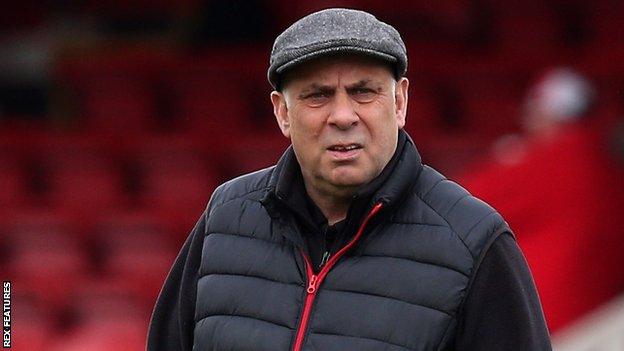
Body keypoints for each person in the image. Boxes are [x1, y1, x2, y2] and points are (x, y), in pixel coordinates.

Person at [147, 8, 551, 350]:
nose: (343, 116)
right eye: (317, 95)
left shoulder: (474, 240)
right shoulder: (226, 218)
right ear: (282, 113)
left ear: (399, 102)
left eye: (363, 92)